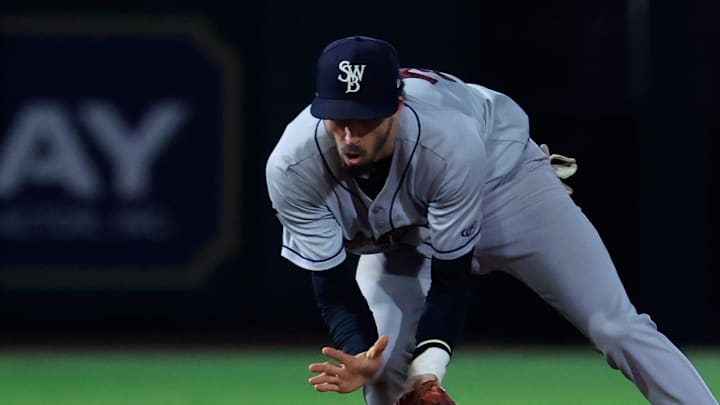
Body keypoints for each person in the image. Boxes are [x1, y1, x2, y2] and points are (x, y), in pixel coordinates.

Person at [265, 35, 718, 405]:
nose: (348, 134)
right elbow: (332, 287)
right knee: (383, 379)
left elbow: (452, 277)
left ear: (396, 107)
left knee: (615, 327)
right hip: (407, 232)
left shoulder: (446, 143)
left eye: (363, 119)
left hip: (509, 186)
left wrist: (428, 372)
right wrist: (363, 353)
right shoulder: (292, 166)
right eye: (336, 117)